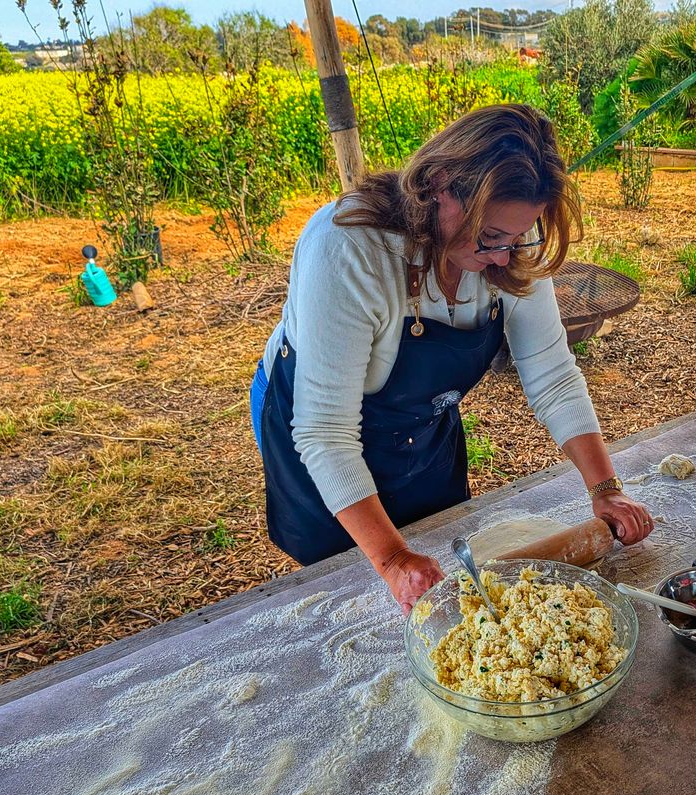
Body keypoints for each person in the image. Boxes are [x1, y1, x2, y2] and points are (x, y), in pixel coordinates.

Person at [250, 104, 654, 613]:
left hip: (422, 419)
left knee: (442, 546)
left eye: (517, 238)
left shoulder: (509, 248)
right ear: (440, 184)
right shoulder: (349, 246)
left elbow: (552, 375)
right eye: (490, 238)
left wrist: (607, 489)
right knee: (349, 583)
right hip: (313, 419)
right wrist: (393, 559)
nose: (505, 258)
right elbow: (325, 431)